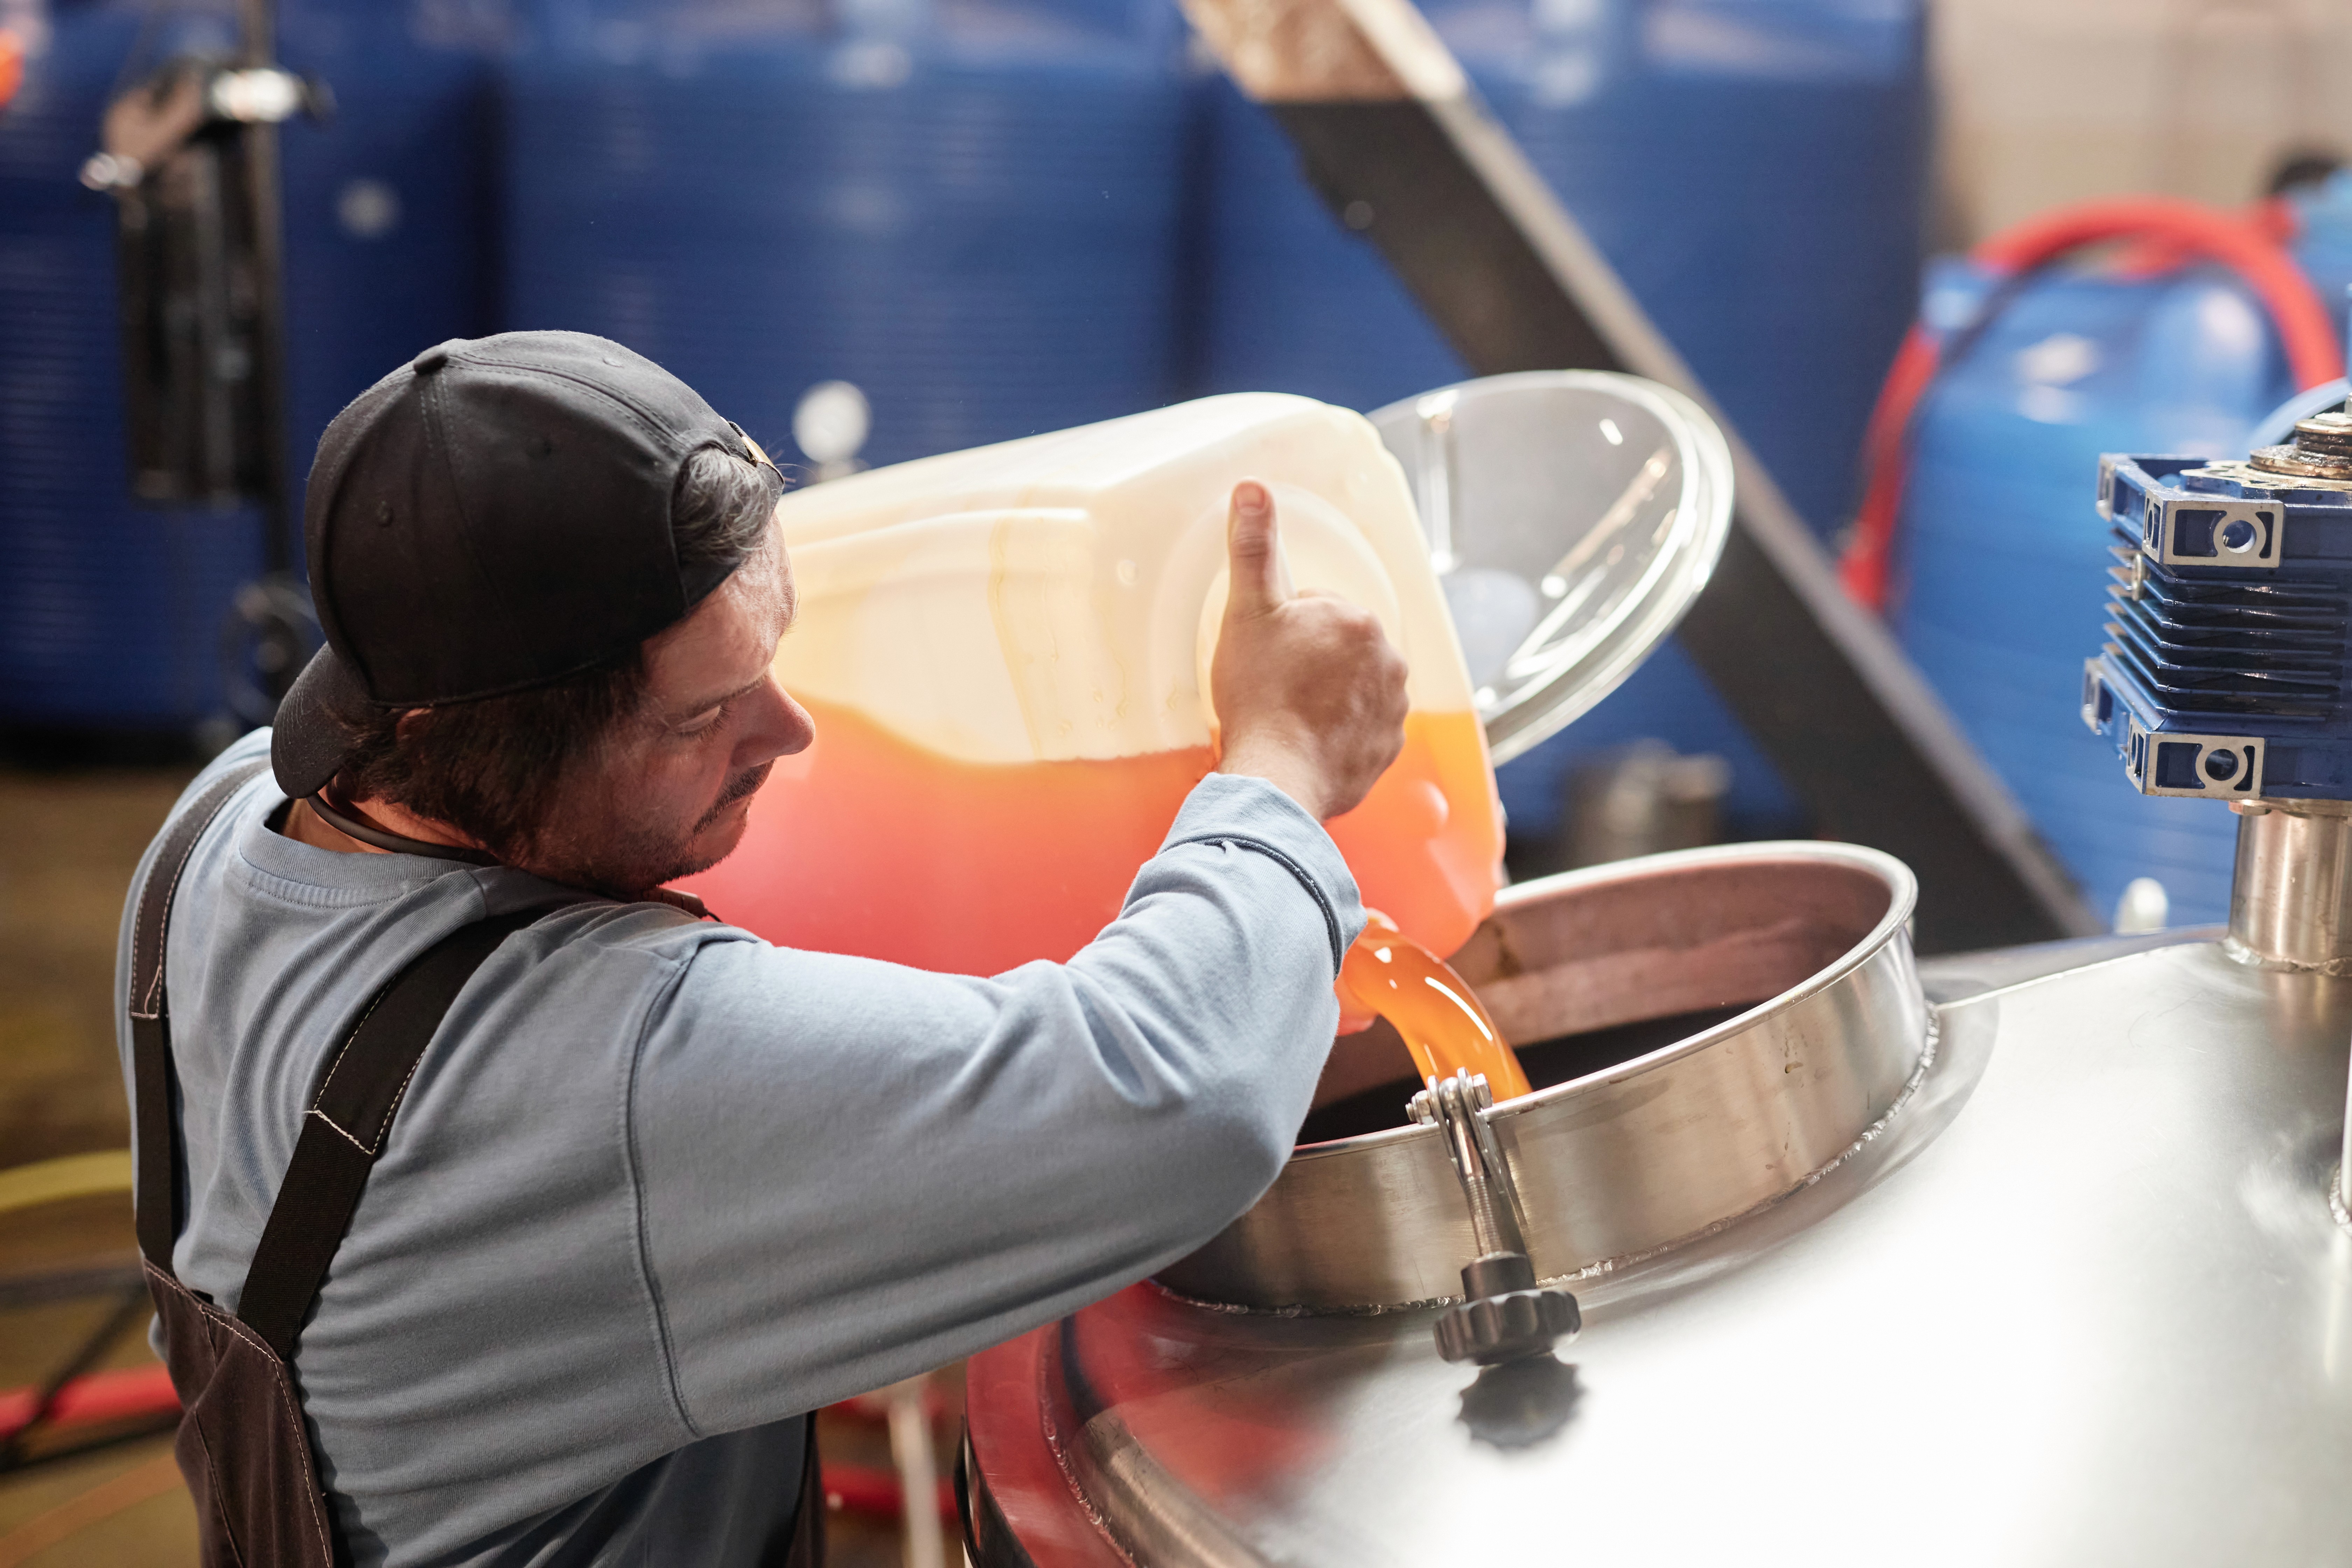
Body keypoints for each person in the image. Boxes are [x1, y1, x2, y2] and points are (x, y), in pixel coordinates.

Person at [117, 331, 1407, 1565]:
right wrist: (1281, 766)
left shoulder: (220, 827)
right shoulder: (601, 1073)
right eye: (706, 713)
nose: (790, 734)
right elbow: (1178, 1103)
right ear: (483, 747)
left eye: (769, 657)